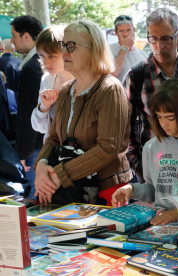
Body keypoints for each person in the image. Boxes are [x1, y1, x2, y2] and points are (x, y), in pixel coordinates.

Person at [34, 20, 132, 205]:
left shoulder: (110, 89)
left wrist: (59, 176)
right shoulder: (65, 90)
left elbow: (108, 148)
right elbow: (54, 138)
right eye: (63, 45)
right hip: (68, 189)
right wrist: (41, 166)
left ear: (94, 50)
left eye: (71, 46)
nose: (64, 52)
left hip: (106, 191)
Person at [111, 78, 178, 226]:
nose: (164, 124)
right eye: (159, 117)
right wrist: (131, 189)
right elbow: (152, 190)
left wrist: (177, 214)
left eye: (170, 118)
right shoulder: (151, 147)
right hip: (159, 222)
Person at [123, 8, 178, 183]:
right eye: (153, 39)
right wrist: (142, 170)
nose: (159, 46)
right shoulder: (137, 76)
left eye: (165, 38)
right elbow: (126, 132)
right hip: (151, 171)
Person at [10, 15, 44, 192]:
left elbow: (30, 111)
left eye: (14, 35)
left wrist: (23, 152)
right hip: (39, 144)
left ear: (26, 36)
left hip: (35, 147)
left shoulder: (33, 66)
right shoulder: (35, 62)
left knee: (33, 197)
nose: (11, 41)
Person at [31, 26, 74, 143]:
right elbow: (39, 128)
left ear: (67, 52)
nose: (46, 62)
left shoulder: (84, 80)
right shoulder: (48, 80)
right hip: (53, 153)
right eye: (42, 55)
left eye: (51, 55)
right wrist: (43, 107)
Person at [110, 15, 147, 83]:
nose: (125, 34)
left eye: (128, 30)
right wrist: (125, 47)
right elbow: (112, 73)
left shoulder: (143, 54)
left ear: (134, 30)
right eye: (121, 31)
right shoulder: (109, 50)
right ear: (116, 33)